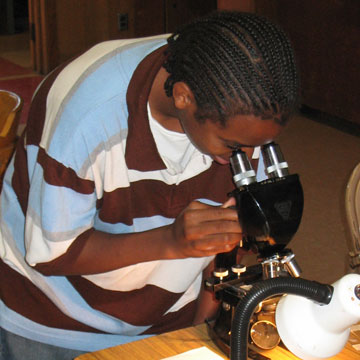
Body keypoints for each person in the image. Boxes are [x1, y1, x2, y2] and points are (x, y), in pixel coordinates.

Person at [0, 10, 299, 360]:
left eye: (260, 145)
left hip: (168, 322)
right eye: (233, 146)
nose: (248, 157)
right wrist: (171, 241)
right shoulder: (89, 113)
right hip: (55, 320)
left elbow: (224, 245)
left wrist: (201, 324)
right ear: (184, 97)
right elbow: (53, 253)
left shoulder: (240, 105)